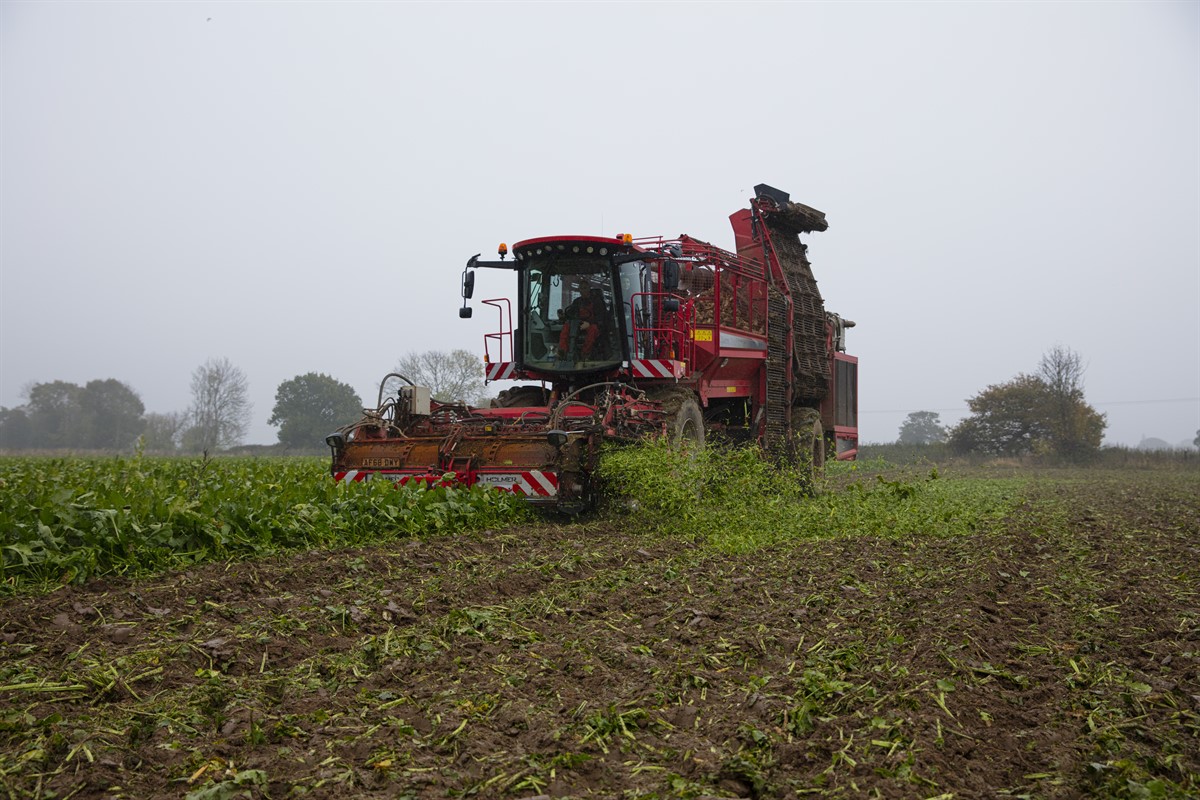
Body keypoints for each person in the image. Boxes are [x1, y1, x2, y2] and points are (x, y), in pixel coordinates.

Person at [557, 282, 607, 361]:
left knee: (593, 329)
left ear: (589, 289)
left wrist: (589, 323)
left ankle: (585, 354)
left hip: (592, 324)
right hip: (578, 323)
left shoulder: (597, 301)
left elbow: (601, 317)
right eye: (581, 288)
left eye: (585, 288)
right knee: (566, 326)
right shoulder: (577, 301)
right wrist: (563, 317)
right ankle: (563, 352)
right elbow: (571, 314)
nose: (583, 290)